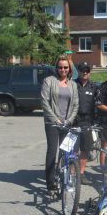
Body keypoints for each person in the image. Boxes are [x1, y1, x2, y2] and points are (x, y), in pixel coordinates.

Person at [41, 55, 79, 193]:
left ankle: (63, 178)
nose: (62, 69)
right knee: (52, 151)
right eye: (60, 67)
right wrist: (55, 119)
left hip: (67, 123)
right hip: (52, 123)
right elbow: (44, 102)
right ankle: (50, 183)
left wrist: (69, 120)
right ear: (56, 68)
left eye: (65, 67)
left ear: (69, 69)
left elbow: (75, 105)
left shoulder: (73, 84)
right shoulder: (49, 81)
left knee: (65, 153)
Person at [74, 61, 98, 184]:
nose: (85, 72)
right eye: (83, 70)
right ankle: (72, 174)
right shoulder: (72, 84)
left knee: (85, 149)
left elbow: (99, 103)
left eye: (87, 70)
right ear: (78, 71)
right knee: (73, 149)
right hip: (73, 122)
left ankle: (81, 173)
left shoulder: (93, 87)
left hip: (87, 122)